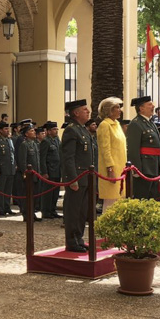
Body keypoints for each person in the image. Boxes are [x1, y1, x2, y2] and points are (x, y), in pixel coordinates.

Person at [61, 100, 93, 252]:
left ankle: (79, 237)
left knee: (82, 211)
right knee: (73, 210)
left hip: (86, 176)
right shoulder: (71, 130)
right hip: (77, 177)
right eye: (85, 109)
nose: (88, 112)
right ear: (76, 113)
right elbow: (68, 157)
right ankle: (71, 241)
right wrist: (73, 179)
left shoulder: (83, 130)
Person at [126, 96, 160, 200]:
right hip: (144, 168)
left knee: (152, 197)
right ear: (141, 108)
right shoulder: (136, 124)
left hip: (153, 166)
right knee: (142, 197)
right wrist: (137, 170)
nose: (153, 106)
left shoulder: (150, 123)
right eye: (149, 105)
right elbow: (133, 149)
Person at [95, 97, 126, 210]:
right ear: (109, 110)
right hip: (111, 169)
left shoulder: (116, 124)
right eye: (117, 107)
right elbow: (105, 149)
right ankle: (107, 227)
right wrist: (110, 169)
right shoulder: (105, 125)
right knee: (110, 203)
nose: (120, 110)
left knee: (119, 201)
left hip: (121, 169)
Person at [15, 122, 41, 221]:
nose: (34, 132)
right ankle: (27, 214)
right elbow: (22, 162)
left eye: (34, 130)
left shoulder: (34, 144)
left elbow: (37, 161)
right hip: (29, 176)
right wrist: (26, 173)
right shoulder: (24, 145)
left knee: (35, 196)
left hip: (36, 174)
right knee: (28, 196)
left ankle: (32, 213)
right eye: (31, 131)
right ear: (26, 134)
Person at [0, 121, 15, 215]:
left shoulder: (9, 140)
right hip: (1, 169)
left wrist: (14, 165)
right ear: (0, 131)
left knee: (8, 190)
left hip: (10, 168)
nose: (7, 130)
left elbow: (12, 154)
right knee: (0, 190)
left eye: (8, 128)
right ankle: (0, 208)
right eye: (5, 129)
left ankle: (7, 207)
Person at [40, 121, 62, 219]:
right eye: (54, 129)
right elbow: (42, 158)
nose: (56, 131)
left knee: (55, 193)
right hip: (50, 170)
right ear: (48, 131)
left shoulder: (57, 140)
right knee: (48, 193)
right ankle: (46, 211)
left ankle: (53, 210)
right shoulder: (46, 141)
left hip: (57, 170)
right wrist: (44, 172)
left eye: (56, 129)